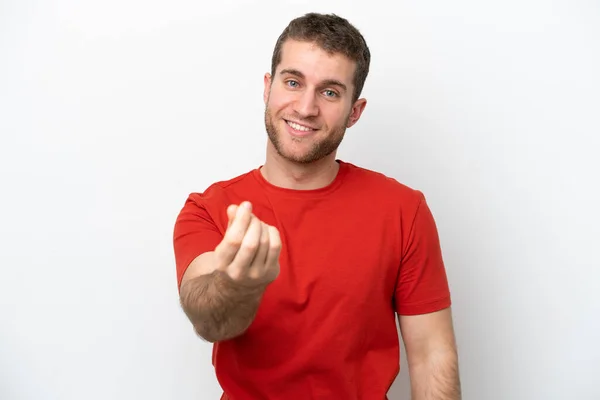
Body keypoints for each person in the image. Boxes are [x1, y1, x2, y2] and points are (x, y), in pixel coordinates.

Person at [173, 12, 461, 400]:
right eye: (293, 82)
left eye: (329, 92)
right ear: (267, 87)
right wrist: (237, 285)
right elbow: (209, 320)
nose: (305, 107)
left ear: (354, 112)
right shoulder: (210, 208)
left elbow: (431, 356)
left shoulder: (403, 210)